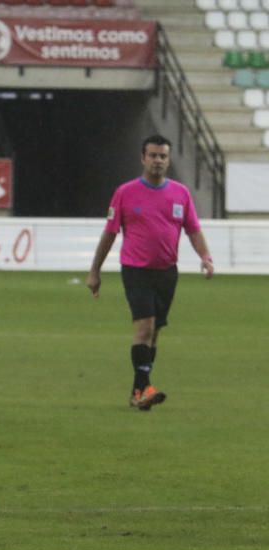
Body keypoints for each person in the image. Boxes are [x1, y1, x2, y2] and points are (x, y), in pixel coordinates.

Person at [87, 134, 214, 410]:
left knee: (154, 333)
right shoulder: (125, 193)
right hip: (136, 270)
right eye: (153, 155)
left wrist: (205, 257)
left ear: (168, 160)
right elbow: (109, 234)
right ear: (143, 158)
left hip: (167, 272)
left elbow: (193, 229)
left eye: (163, 156)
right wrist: (94, 271)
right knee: (144, 328)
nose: (158, 160)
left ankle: (137, 391)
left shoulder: (181, 193)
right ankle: (145, 387)